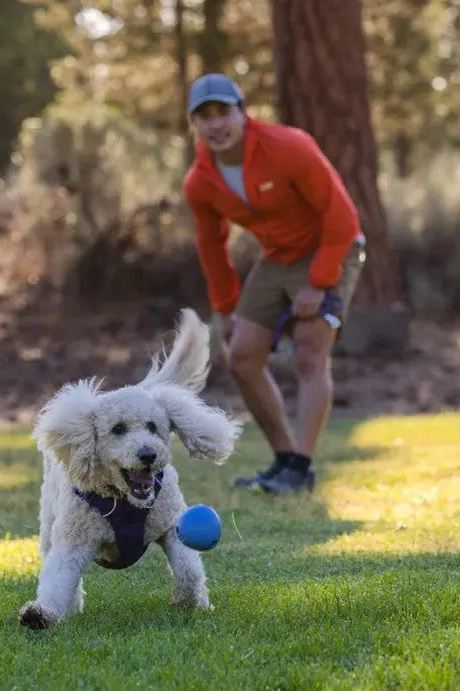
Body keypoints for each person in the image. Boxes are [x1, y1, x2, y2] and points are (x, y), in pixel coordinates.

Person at [182, 73, 368, 494]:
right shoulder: (200, 182)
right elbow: (213, 248)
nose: (216, 125)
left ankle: (302, 467)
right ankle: (284, 460)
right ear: (194, 125)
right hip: (279, 256)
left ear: (243, 112)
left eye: (223, 112)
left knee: (309, 352)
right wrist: (226, 309)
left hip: (332, 247)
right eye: (203, 116)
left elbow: (341, 215)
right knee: (242, 357)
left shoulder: (290, 147)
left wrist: (319, 283)